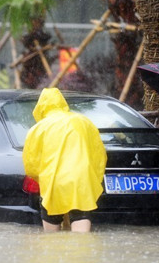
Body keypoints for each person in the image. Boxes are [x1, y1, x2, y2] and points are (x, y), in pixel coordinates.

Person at [22, 88, 107, 233]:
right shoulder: (84, 122)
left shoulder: (38, 129)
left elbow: (31, 166)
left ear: (40, 107)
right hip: (81, 184)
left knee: (51, 241)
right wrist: (93, 181)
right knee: (82, 241)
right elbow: (99, 156)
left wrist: (43, 180)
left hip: (53, 185)